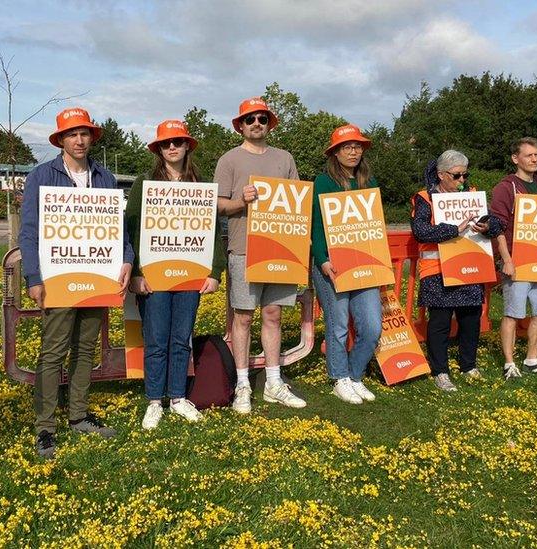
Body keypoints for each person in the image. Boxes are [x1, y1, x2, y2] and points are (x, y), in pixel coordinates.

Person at [19, 107, 134, 459]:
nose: (79, 140)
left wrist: (127, 259)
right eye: (72, 134)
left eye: (84, 134)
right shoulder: (41, 175)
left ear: (92, 138)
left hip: (96, 277)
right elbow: (29, 231)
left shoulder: (105, 177)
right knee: (53, 352)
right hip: (57, 278)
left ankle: (80, 415)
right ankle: (45, 426)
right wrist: (34, 278)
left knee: (86, 348)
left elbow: (118, 229)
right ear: (61, 140)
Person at [125, 120, 227, 429]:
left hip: (189, 275)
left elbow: (212, 231)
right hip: (153, 277)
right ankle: (155, 400)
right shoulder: (144, 184)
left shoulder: (200, 186)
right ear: (158, 149)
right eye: (166, 143)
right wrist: (136, 273)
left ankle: (178, 397)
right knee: (156, 339)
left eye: (178, 142)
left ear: (187, 147)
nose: (172, 147)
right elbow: (130, 230)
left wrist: (215, 271)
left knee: (181, 338)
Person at [215, 97, 307, 413]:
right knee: (242, 317)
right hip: (243, 249)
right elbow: (218, 205)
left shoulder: (285, 158)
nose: (257, 123)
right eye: (251, 119)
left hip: (281, 248)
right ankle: (242, 383)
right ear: (240, 125)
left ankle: (272, 382)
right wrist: (242, 201)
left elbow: (298, 202)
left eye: (262, 119)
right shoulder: (229, 160)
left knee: (273, 315)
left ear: (269, 124)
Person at [411, 150, 503, 391]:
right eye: (457, 175)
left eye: (465, 175)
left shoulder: (472, 195)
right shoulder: (425, 198)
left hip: (470, 265)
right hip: (438, 269)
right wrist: (454, 228)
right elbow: (420, 231)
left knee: (471, 318)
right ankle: (440, 371)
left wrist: (487, 226)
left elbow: (496, 224)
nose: (463, 180)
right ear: (441, 175)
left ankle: (468, 365)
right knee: (440, 321)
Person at [309, 124, 382, 404]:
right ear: (335, 153)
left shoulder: (369, 181)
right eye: (346, 147)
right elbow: (315, 224)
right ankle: (339, 378)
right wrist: (323, 260)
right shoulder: (323, 182)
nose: (353, 151)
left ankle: (354, 375)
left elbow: (374, 224)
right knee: (338, 324)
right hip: (332, 264)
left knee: (372, 327)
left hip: (363, 263)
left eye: (357, 146)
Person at [489, 137, 537, 379]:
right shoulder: (506, 188)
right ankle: (509, 363)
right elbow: (496, 226)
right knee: (513, 313)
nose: (534, 159)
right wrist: (506, 259)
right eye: (529, 155)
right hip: (517, 259)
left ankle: (531, 359)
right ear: (515, 159)